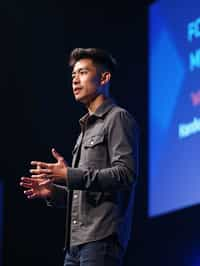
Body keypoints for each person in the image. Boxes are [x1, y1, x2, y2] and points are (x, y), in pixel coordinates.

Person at [20, 48, 139, 266]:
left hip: (101, 239)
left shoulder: (117, 118)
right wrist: (54, 192)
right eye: (73, 75)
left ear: (104, 77)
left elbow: (126, 174)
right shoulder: (85, 129)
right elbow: (86, 191)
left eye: (83, 72)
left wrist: (69, 175)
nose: (75, 80)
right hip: (75, 245)